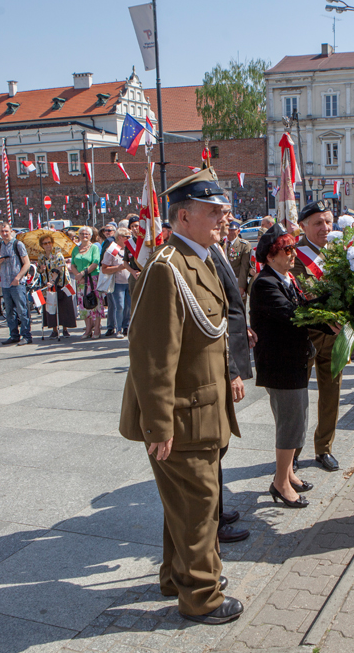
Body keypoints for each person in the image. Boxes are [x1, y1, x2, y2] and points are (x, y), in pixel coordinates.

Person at [118, 165, 243, 625]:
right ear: (184, 216)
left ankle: (178, 577)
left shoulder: (200, 259)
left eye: (222, 211)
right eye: (213, 211)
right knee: (198, 509)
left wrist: (230, 377)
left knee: (187, 504)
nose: (223, 218)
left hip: (203, 410)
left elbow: (211, 335)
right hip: (182, 417)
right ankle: (201, 598)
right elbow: (152, 355)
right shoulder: (166, 268)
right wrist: (158, 425)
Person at [250, 223, 319, 510]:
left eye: (293, 248)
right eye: (286, 250)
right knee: (291, 424)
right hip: (280, 365)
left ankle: (288, 474)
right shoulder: (265, 283)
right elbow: (294, 314)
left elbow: (303, 305)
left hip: (293, 361)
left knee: (295, 420)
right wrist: (326, 316)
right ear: (270, 256)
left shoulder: (286, 278)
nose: (293, 254)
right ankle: (280, 483)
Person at [209, 209, 256, 543]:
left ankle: (218, 509)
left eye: (225, 214)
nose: (225, 219)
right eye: (220, 213)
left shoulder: (218, 248)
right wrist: (231, 371)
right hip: (220, 363)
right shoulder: (206, 253)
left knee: (220, 444)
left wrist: (245, 327)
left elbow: (230, 304)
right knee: (215, 445)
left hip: (232, 346)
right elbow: (213, 318)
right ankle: (213, 519)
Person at [291, 200, 343, 472]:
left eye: (328, 221)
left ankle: (324, 448)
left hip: (335, 337)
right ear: (303, 226)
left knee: (331, 394)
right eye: (318, 223)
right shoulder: (295, 254)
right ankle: (292, 452)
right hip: (306, 337)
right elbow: (303, 293)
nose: (325, 228)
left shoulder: (338, 251)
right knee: (298, 398)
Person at [100, 227, 136, 339]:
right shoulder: (114, 249)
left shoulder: (130, 248)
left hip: (129, 282)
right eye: (127, 237)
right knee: (119, 306)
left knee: (129, 306)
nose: (129, 238)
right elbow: (104, 269)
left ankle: (126, 327)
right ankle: (118, 328)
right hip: (117, 283)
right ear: (120, 237)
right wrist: (119, 267)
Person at [69, 226, 103, 339]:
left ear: (90, 236)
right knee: (83, 304)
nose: (84, 235)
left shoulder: (94, 248)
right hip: (81, 281)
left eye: (87, 234)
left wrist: (83, 274)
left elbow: (95, 262)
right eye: (82, 234)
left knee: (95, 303)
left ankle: (97, 328)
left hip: (93, 279)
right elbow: (73, 264)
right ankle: (88, 329)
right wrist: (78, 276)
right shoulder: (75, 249)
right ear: (79, 235)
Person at [224, 220, 253, 299]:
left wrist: (241, 286)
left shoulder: (243, 245)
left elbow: (244, 267)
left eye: (232, 230)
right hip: (224, 281)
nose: (230, 232)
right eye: (228, 230)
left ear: (238, 231)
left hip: (236, 281)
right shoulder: (222, 243)